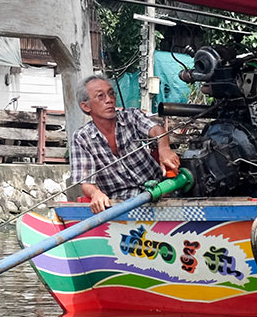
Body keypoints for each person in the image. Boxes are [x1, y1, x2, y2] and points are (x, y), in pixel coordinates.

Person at [70, 74, 180, 213]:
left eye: (111, 94)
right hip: (122, 206)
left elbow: (157, 130)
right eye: (101, 96)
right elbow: (86, 182)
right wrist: (95, 194)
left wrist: (164, 148)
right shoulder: (82, 138)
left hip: (161, 191)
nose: (109, 100)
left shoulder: (131, 116)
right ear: (86, 106)